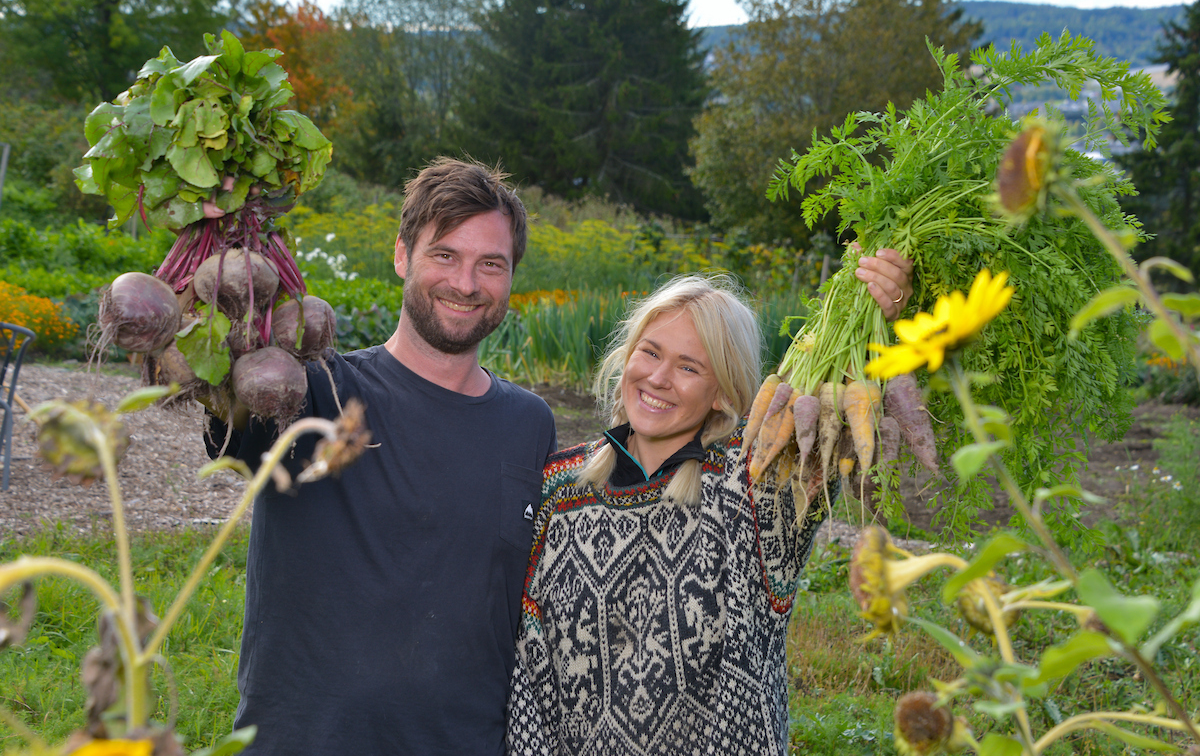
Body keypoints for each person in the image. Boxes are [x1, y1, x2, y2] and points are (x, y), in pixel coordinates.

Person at [207, 157, 557, 755]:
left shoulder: (529, 424)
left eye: (490, 264)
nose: (466, 283)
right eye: (444, 254)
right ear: (401, 255)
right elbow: (217, 375)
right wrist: (219, 237)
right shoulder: (312, 390)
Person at [506, 263, 911, 756]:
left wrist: (878, 314)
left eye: (688, 367)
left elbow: (836, 414)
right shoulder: (560, 489)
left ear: (721, 393)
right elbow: (530, 670)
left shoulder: (755, 484)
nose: (658, 378)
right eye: (650, 352)